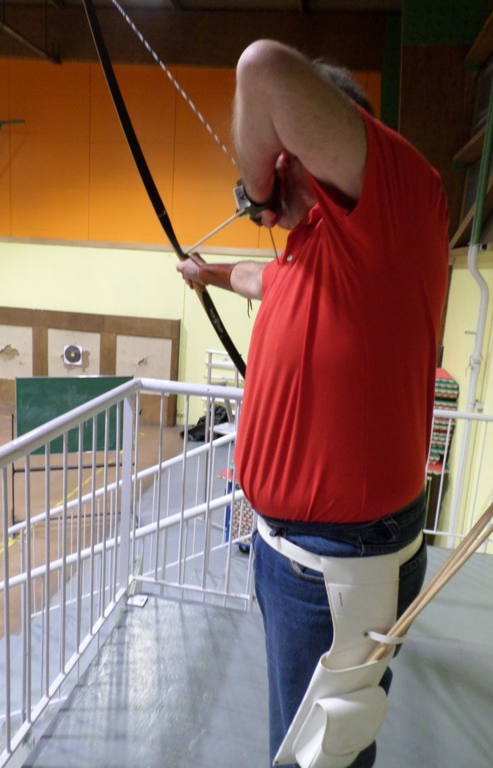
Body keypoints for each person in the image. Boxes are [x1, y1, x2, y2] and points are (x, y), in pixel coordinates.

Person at [177, 39, 449, 768]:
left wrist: (260, 191)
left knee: (319, 754)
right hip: (294, 551)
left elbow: (261, 67)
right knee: (307, 742)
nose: (272, 174)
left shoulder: (396, 203)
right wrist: (208, 273)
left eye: (282, 160)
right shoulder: (315, 249)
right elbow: (262, 281)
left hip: (338, 562)